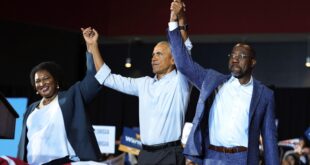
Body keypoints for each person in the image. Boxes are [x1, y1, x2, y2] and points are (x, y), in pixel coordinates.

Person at [168, 2, 280, 165]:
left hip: (243, 159)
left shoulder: (264, 95)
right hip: (212, 157)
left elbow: (269, 139)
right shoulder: (213, 80)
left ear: (253, 62)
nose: (235, 58)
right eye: (233, 54)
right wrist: (173, 22)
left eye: (241, 56)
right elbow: (183, 64)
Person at [81, 4, 192, 164]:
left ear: (173, 60)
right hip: (145, 154)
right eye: (153, 54)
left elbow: (185, 51)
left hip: (170, 155)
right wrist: (93, 45)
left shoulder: (180, 81)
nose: (153, 58)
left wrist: (178, 19)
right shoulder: (144, 84)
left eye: (159, 54)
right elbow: (107, 78)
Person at [17, 29, 110, 165]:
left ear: (56, 81)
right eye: (37, 81)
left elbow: (95, 78)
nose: (42, 83)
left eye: (46, 78)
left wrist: (92, 46)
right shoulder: (30, 110)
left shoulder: (72, 97)